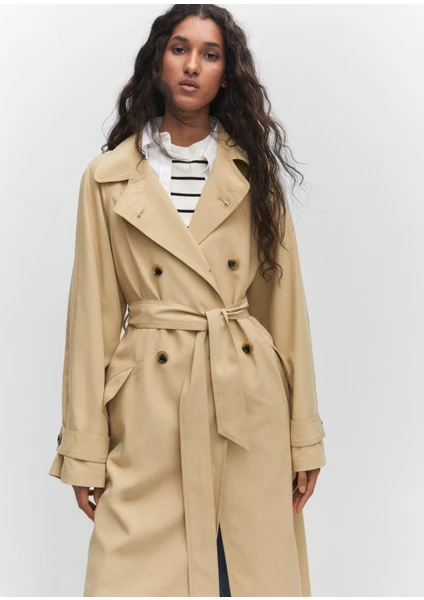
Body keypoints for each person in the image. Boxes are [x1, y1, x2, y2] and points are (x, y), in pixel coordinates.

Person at [48, 4, 327, 597]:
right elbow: (91, 318)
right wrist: (84, 449)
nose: (192, 65)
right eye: (180, 49)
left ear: (227, 74)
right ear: (158, 62)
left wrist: (304, 436)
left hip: (245, 401)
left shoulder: (255, 175)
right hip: (150, 411)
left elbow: (285, 311)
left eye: (210, 53)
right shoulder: (107, 177)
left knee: (245, 571)